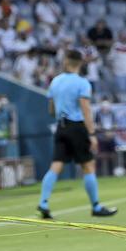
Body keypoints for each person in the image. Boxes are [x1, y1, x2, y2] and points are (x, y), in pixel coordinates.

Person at [36, 49, 117, 219]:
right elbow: (86, 109)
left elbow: (51, 109)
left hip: (60, 126)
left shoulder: (55, 82)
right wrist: (92, 134)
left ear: (66, 61)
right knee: (88, 165)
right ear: (80, 63)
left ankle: (43, 202)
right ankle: (95, 206)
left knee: (56, 165)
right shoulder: (82, 83)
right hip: (77, 126)